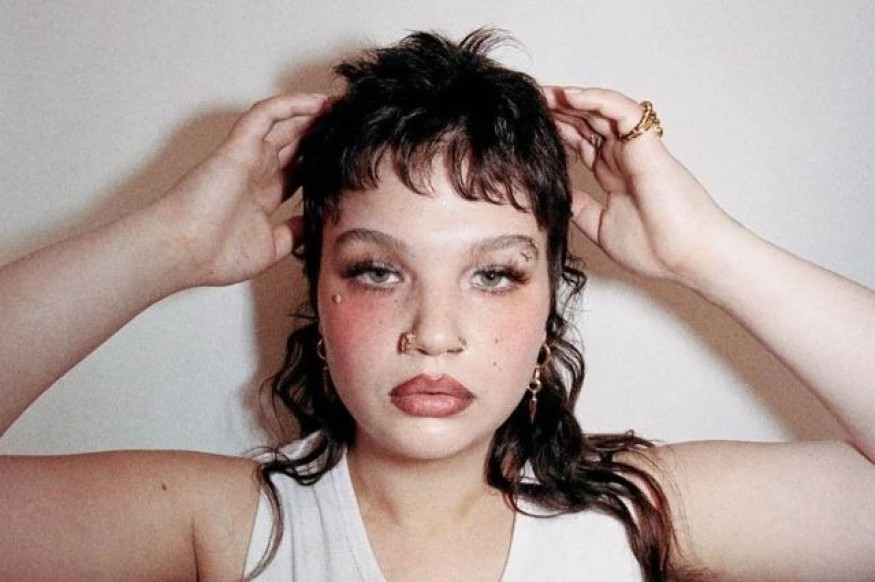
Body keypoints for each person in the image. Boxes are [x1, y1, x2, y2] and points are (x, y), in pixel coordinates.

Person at [1, 29, 873, 581]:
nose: (434, 333)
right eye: (377, 270)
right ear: (317, 289)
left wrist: (705, 250)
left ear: (550, 302)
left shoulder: (641, 516)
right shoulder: (225, 525)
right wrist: (170, 243)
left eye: (493, 274)